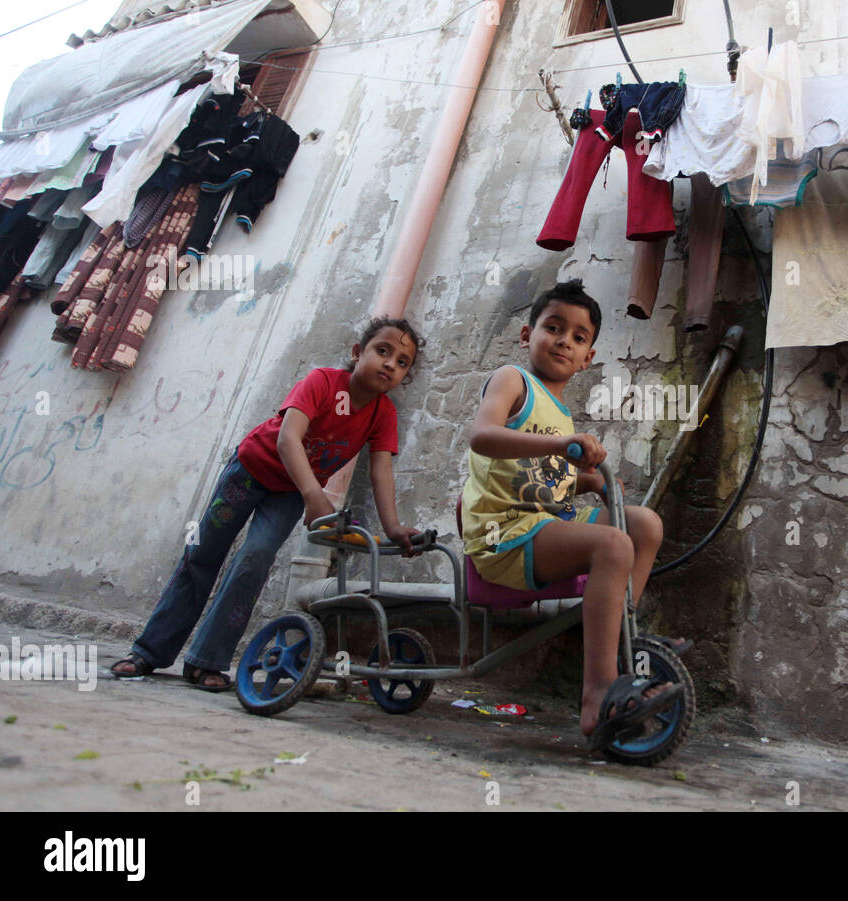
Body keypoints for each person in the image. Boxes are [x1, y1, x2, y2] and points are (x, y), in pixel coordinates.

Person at [109, 317, 425, 690]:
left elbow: (381, 471)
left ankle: (207, 660)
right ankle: (148, 651)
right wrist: (314, 496)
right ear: (357, 353)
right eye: (383, 351)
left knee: (254, 560)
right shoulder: (322, 381)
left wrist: (392, 527)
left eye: (402, 362)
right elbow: (288, 440)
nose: (390, 364)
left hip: (288, 491)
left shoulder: (383, 413)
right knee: (202, 556)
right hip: (250, 470)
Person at [461, 279, 680, 750]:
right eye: (554, 328)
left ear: (588, 358)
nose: (564, 340)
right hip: (503, 534)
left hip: (543, 526)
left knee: (643, 525)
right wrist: (562, 446)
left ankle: (624, 651)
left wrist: (592, 482)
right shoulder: (511, 380)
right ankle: (597, 695)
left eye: (578, 337)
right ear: (527, 335)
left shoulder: (561, 417)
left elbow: (544, 480)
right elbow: (483, 437)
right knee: (613, 543)